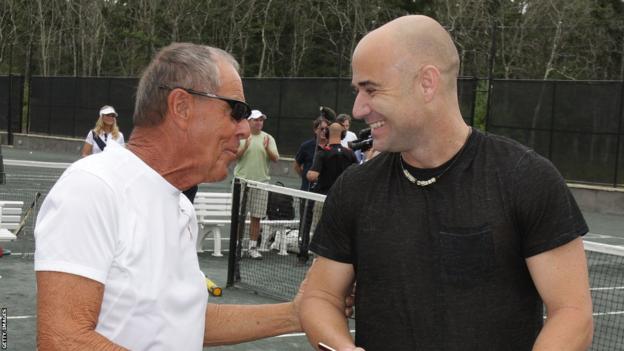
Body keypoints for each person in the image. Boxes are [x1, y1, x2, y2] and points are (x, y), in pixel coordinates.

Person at [300, 15, 593, 351]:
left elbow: (572, 313)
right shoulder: (355, 188)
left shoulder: (525, 178)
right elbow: (320, 297)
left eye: (371, 89)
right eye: (357, 91)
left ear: (427, 82)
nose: (358, 107)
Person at [34, 43, 307, 350]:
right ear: (181, 107)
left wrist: (297, 314)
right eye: (236, 111)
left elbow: (184, 321)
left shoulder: (179, 205)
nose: (244, 129)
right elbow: (63, 340)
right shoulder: (94, 187)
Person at [233, 109, 280, 259]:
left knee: (256, 217)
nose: (259, 122)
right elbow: (234, 156)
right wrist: (245, 146)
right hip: (241, 182)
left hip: (261, 184)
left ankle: (252, 247)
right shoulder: (241, 136)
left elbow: (276, 158)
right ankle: (237, 246)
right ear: (248, 121)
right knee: (239, 217)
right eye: (256, 120)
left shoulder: (268, 138)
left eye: (261, 120)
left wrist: (266, 148)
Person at [306, 122, 357, 195]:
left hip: (324, 196)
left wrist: (309, 173)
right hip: (343, 195)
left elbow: (312, 176)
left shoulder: (322, 153)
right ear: (342, 135)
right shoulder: (350, 153)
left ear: (327, 134)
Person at [293, 116, 329, 191]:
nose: (324, 131)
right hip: (307, 190)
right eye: (321, 129)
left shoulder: (331, 147)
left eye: (326, 129)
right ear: (315, 130)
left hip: (323, 191)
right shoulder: (306, 146)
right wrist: (305, 176)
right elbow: (296, 165)